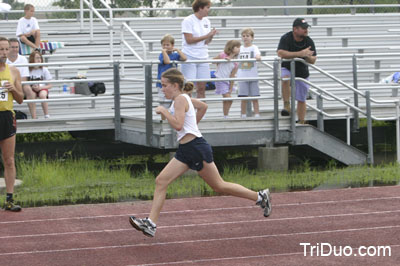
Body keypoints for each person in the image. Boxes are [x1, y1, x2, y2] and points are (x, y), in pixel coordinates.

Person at [129, 68, 271, 237]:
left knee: (218, 185)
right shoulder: (182, 99)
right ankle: (151, 223)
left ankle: (260, 197)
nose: (162, 88)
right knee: (161, 181)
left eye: (164, 85)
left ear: (175, 85)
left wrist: (165, 112)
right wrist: (193, 126)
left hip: (195, 148)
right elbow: (203, 106)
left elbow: (179, 125)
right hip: (186, 149)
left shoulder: (181, 99)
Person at [277, 18, 317, 124]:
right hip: (288, 67)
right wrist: (300, 54)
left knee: (302, 98)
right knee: (285, 79)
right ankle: (287, 105)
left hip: (302, 71)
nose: (306, 30)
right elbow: (280, 53)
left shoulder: (308, 40)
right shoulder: (286, 38)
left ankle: (301, 120)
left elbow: (313, 60)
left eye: (306, 28)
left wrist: (307, 56)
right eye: (303, 28)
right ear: (295, 29)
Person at [0, 37, 24, 211]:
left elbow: (21, 99)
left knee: (9, 160)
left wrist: (13, 89)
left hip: (7, 117)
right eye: (1, 50)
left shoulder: (14, 71)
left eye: (6, 49)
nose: (4, 53)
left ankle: (9, 199)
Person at [181, 0, 217, 99]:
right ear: (200, 8)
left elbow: (206, 42)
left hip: (203, 56)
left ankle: (201, 114)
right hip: (190, 56)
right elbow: (189, 40)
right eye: (207, 7)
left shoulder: (207, 21)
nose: (208, 10)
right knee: (188, 88)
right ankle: (188, 112)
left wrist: (211, 36)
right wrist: (206, 35)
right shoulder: (188, 20)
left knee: (202, 88)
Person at [157, 34, 187, 112]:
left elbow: (184, 58)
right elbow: (167, 61)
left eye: (168, 45)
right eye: (164, 45)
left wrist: (177, 50)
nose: (166, 47)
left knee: (173, 102)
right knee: (164, 103)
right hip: (163, 83)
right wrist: (164, 52)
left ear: (172, 45)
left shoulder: (175, 55)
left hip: (172, 82)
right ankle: (164, 119)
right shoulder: (162, 55)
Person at [237, 28, 261, 118]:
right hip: (242, 76)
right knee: (243, 97)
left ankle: (257, 114)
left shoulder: (254, 47)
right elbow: (232, 54)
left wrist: (258, 56)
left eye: (247, 36)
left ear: (252, 37)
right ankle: (243, 114)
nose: (245, 38)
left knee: (255, 97)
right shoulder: (240, 48)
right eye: (243, 36)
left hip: (253, 76)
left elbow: (257, 54)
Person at [213, 40, 240, 119]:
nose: (239, 49)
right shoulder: (222, 55)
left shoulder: (235, 62)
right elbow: (213, 61)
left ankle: (225, 115)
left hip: (227, 81)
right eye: (237, 47)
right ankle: (225, 115)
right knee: (229, 98)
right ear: (231, 48)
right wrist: (223, 59)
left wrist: (231, 88)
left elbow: (232, 75)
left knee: (227, 100)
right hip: (220, 80)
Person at [6, 38, 33, 117]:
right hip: (6, 84)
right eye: (12, 47)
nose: (15, 49)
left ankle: (34, 116)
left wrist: (14, 86)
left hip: (19, 84)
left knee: (28, 88)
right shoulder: (3, 59)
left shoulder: (23, 59)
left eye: (17, 47)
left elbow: (24, 78)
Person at [27, 50, 52, 119]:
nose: (39, 60)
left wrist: (40, 88)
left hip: (42, 88)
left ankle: (46, 114)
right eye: (37, 58)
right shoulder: (28, 69)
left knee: (42, 95)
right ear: (32, 59)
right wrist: (32, 87)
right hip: (32, 89)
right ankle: (34, 117)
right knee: (31, 95)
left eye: (40, 58)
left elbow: (50, 85)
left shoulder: (44, 69)